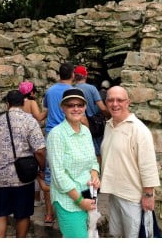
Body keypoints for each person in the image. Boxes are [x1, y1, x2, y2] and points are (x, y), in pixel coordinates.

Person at [100, 86, 160, 238]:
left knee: (134, 237)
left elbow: (148, 164)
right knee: (118, 234)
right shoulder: (109, 125)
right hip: (114, 193)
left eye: (119, 100)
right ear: (106, 102)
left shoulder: (139, 130)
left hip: (132, 197)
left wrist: (148, 194)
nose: (115, 104)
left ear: (128, 102)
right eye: (111, 100)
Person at [47, 88, 100, 238]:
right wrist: (79, 200)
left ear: (85, 107)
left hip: (88, 194)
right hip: (69, 200)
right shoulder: (57, 134)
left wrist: (95, 175)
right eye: (70, 105)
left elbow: (93, 162)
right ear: (63, 108)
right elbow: (58, 175)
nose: (76, 108)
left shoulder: (85, 131)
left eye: (79, 105)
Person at [0, 90, 46, 238]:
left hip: (0, 177)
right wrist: (41, 167)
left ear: (7, 104)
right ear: (24, 103)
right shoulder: (30, 121)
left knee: (1, 214)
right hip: (23, 177)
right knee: (23, 215)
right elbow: (40, 150)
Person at [39, 62, 75, 224]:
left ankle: (48, 213)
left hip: (51, 133)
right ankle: (68, 210)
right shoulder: (73, 91)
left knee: (50, 172)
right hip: (69, 133)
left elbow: (45, 112)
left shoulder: (50, 91)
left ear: (59, 74)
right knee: (70, 171)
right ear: (72, 75)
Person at [19, 81, 47, 206]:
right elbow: (39, 117)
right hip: (31, 137)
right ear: (31, 92)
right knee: (35, 167)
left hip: (20, 138)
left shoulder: (18, 104)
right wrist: (48, 110)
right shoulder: (31, 102)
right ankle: (36, 199)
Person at [74, 65, 108, 167]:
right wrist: (110, 117)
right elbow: (102, 107)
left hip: (76, 125)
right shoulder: (92, 88)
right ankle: (98, 175)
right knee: (97, 152)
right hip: (93, 126)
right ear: (86, 75)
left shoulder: (71, 89)